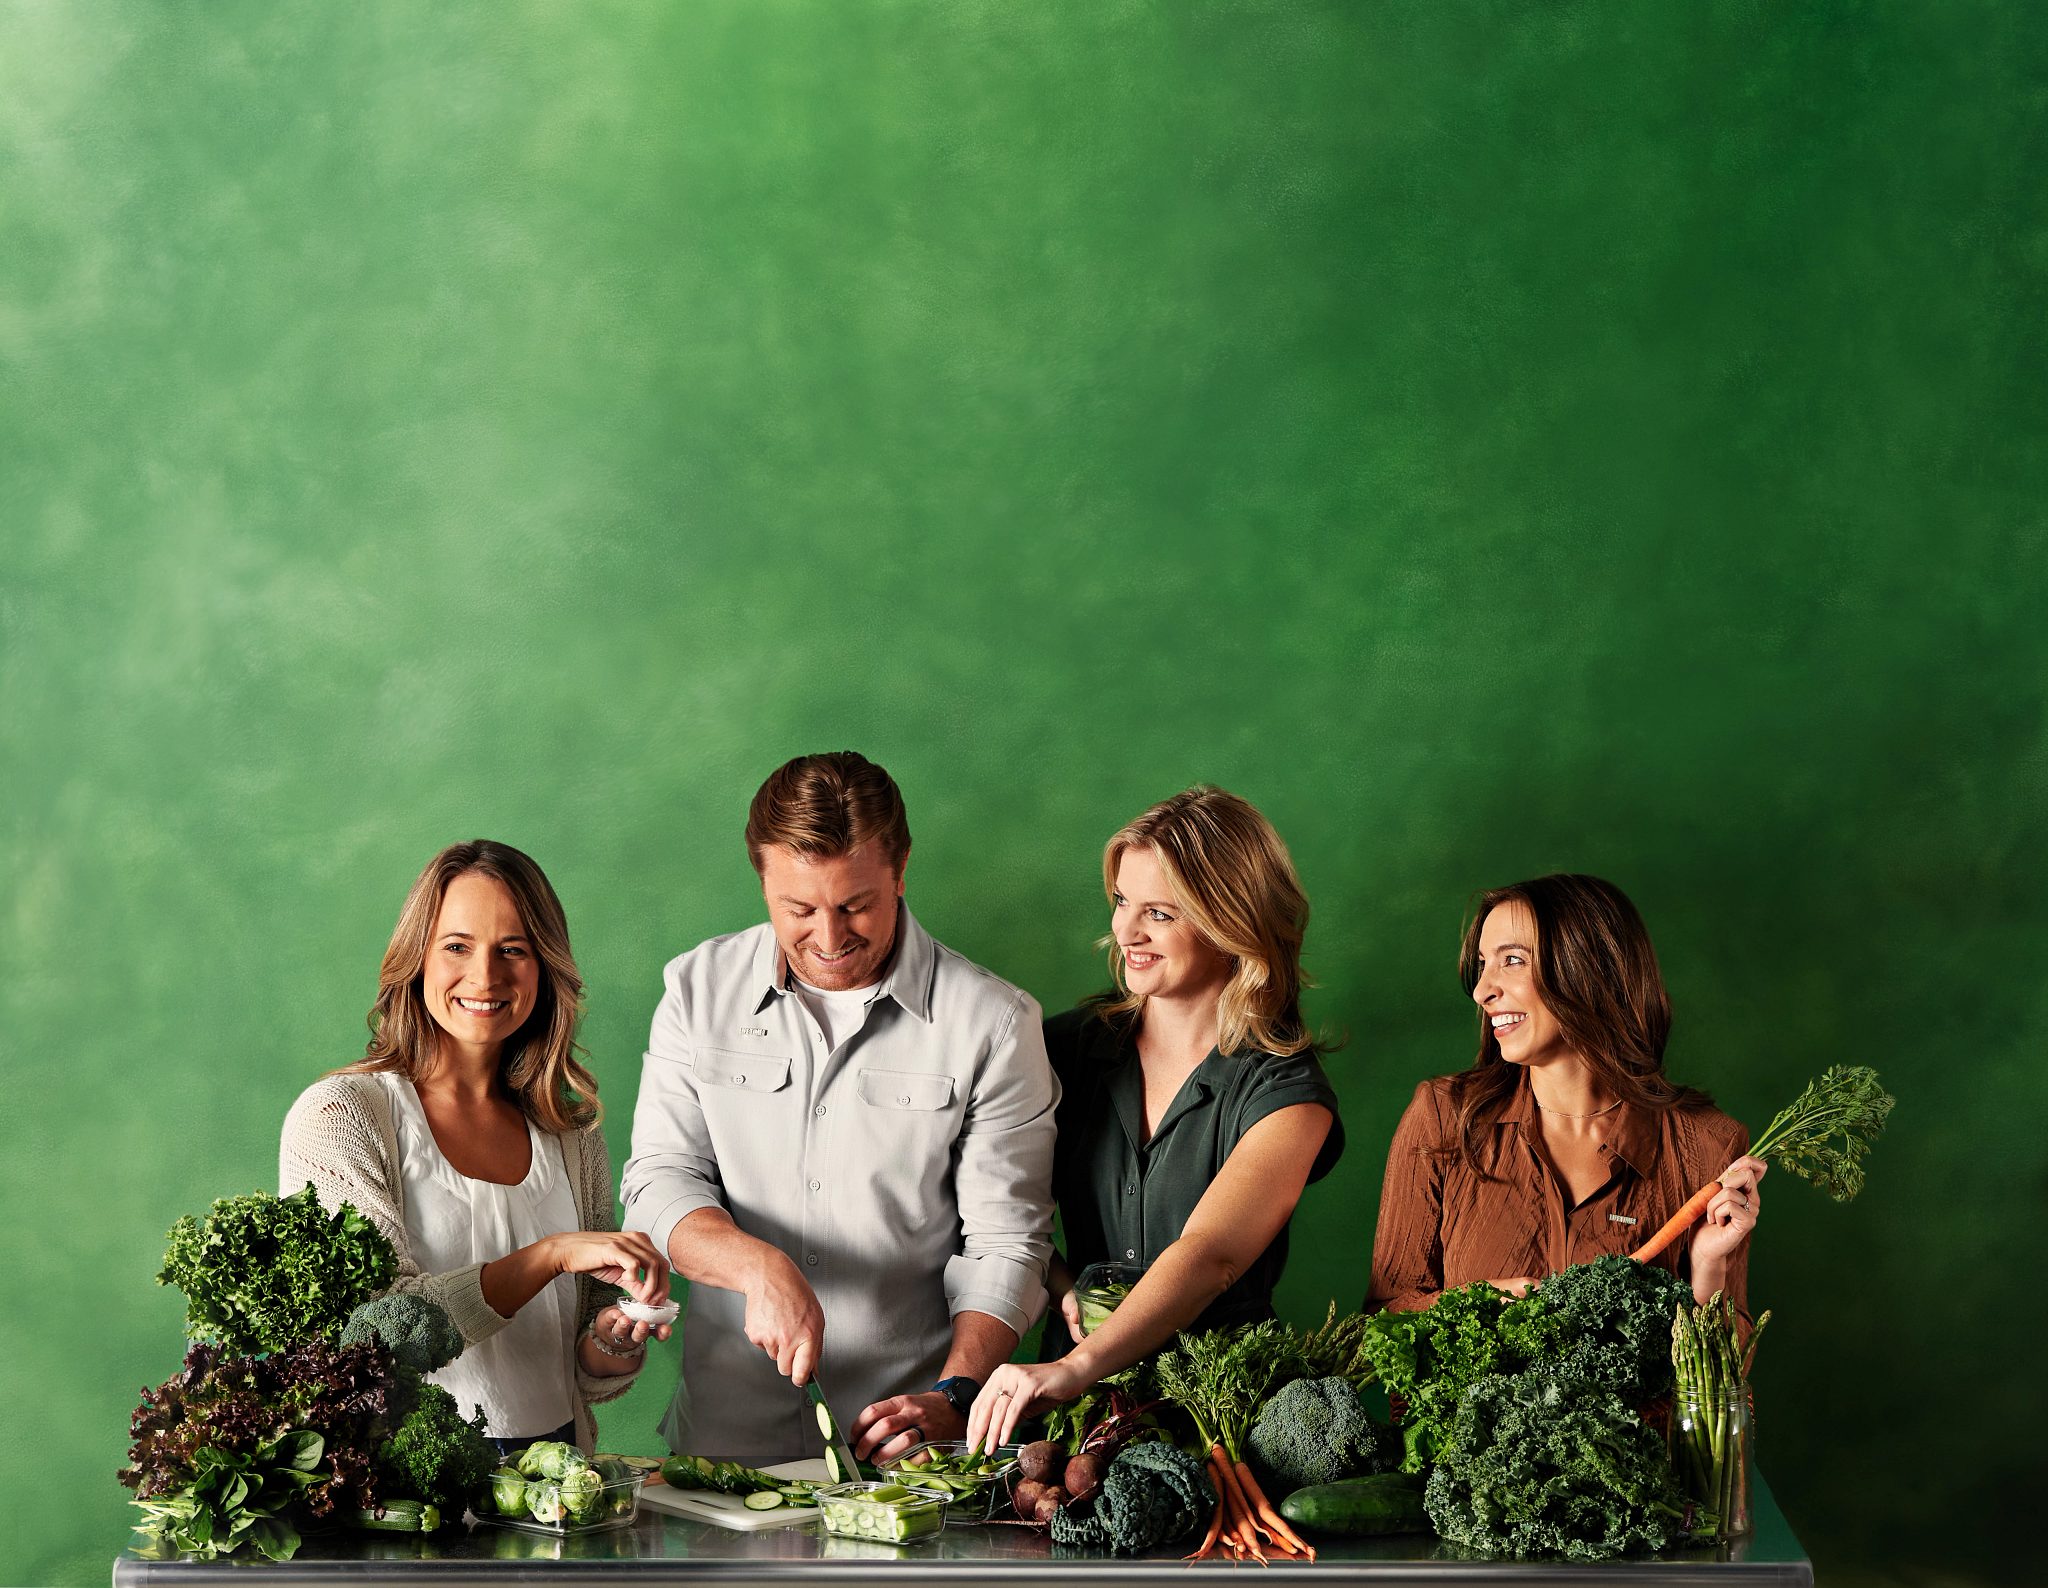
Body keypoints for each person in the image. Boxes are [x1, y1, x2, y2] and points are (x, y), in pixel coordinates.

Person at [621, 752, 1058, 1468]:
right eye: (799, 909)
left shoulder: (995, 1023)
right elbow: (658, 1185)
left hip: (907, 1459)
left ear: (901, 871)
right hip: (724, 1447)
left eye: (856, 905)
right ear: (762, 879)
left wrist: (954, 1398)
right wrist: (758, 1267)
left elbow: (1007, 1247)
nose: (829, 939)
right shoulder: (696, 990)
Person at [966, 786, 1343, 1450]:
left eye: (1160, 913)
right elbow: (986, 1206)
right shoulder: (1059, 1050)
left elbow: (1211, 1257)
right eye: (1121, 902)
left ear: (1233, 922)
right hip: (1070, 1428)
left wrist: (1076, 1366)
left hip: (1222, 1431)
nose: (1127, 932)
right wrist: (1063, 1288)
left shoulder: (1287, 1090)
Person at [281, 840, 670, 1457]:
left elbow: (586, 1363)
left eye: (513, 950)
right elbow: (373, 1336)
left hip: (560, 1481)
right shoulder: (344, 1117)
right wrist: (549, 1255)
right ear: (417, 959)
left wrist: (617, 1335)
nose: (485, 977)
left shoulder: (569, 1132)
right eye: (457, 946)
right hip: (409, 1495)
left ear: (545, 968)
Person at [1367, 872, 1765, 1317]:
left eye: (1513, 960)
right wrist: (1473, 1308)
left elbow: (1724, 1380)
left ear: (1592, 970)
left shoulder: (1708, 1147)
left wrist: (1709, 1269)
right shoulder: (1442, 1117)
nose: (1482, 990)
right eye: (1483, 964)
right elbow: (1383, 1321)